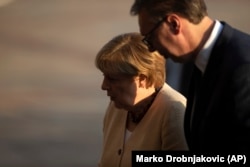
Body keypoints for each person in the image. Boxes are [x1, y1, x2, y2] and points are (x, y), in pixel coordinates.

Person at [130, 0, 250, 151]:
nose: (152, 49)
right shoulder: (202, 60)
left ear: (174, 24)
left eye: (150, 38)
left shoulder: (242, 66)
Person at [95, 32, 188, 167]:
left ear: (143, 79)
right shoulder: (117, 107)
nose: (104, 86)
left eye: (113, 79)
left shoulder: (173, 112)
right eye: (104, 76)